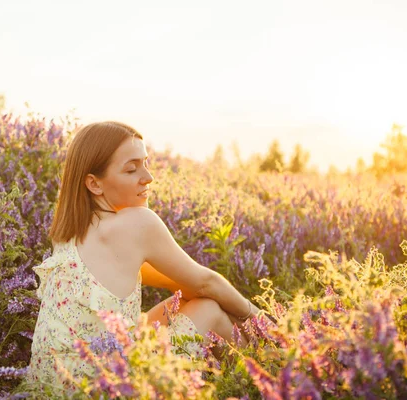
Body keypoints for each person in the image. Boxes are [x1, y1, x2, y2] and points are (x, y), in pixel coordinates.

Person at [27, 121, 260, 395]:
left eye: (146, 163)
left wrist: (196, 292)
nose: (148, 177)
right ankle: (269, 374)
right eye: (131, 168)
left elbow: (183, 285)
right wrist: (257, 318)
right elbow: (206, 283)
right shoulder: (137, 223)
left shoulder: (70, 230)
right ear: (94, 183)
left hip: (50, 390)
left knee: (185, 301)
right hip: (104, 390)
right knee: (208, 308)